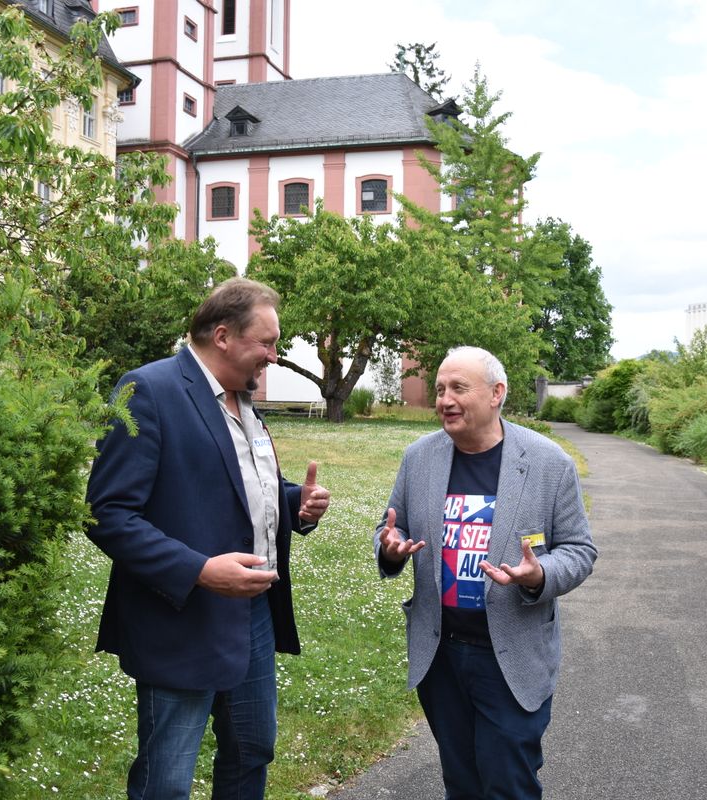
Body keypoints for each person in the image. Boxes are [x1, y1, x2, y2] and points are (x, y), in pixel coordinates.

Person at [85, 276, 331, 800]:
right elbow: (107, 513)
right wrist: (198, 570)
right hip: (181, 617)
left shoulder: (243, 398)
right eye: (267, 343)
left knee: (252, 751)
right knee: (167, 778)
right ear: (223, 336)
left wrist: (295, 503)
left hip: (254, 614)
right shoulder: (148, 391)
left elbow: (240, 484)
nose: (274, 356)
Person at [375, 346, 597, 799]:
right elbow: (393, 528)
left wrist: (539, 575)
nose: (445, 399)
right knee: (461, 782)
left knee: (508, 785)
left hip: (509, 657)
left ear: (497, 393)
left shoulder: (548, 463)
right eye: (440, 389)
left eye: (459, 388)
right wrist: (391, 548)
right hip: (441, 655)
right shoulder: (420, 458)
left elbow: (579, 550)